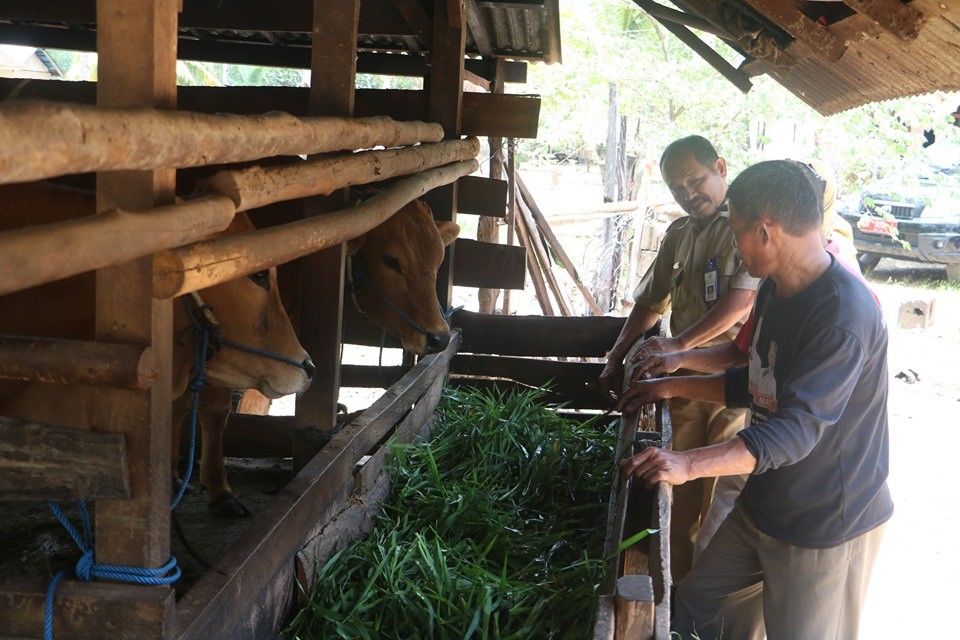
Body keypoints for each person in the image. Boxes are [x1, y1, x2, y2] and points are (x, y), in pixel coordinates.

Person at [619, 160, 893, 640]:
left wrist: (685, 464)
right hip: (765, 501)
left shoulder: (841, 317)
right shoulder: (776, 288)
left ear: (765, 232)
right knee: (701, 609)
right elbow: (755, 379)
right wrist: (671, 385)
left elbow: (795, 431)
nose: (736, 245)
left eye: (738, 231)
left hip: (825, 521)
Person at [599, 135, 759, 580]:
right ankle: (674, 593)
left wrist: (676, 346)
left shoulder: (746, 228)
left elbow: (741, 304)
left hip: (736, 384)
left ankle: (704, 604)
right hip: (684, 381)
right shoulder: (679, 234)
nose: (689, 194)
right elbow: (651, 302)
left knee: (722, 501)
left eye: (696, 180)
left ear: (721, 167)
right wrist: (616, 355)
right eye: (677, 188)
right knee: (678, 494)